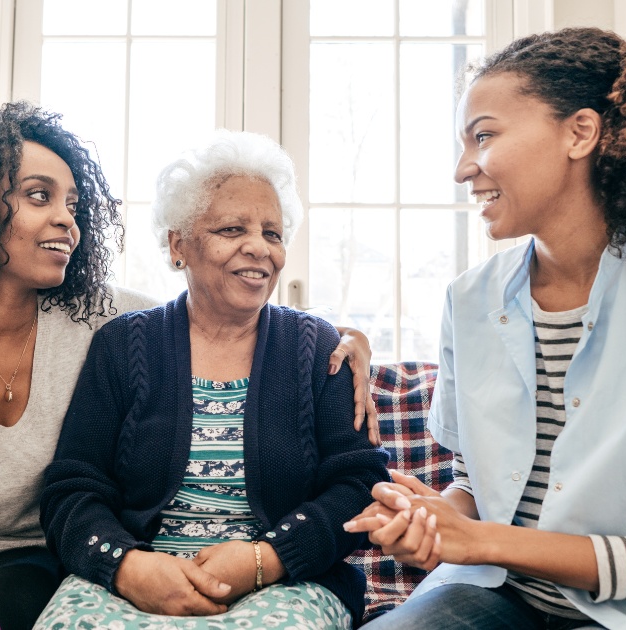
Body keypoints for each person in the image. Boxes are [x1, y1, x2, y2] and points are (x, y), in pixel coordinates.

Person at [0, 103, 378, 630]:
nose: (66, 220)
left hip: (25, 560)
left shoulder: (96, 312)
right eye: (39, 196)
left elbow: (226, 313)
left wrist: (341, 338)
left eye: (72, 203)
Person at [346, 22, 626, 630]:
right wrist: (434, 523)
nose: (464, 169)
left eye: (483, 136)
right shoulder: (469, 300)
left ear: (580, 132)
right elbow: (475, 485)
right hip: (500, 599)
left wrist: (481, 540)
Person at [35, 131, 390, 629]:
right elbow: (74, 488)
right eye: (231, 230)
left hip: (283, 582)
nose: (258, 249)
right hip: (138, 576)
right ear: (180, 245)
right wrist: (126, 566)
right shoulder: (124, 344)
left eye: (273, 233)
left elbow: (359, 482)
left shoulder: (316, 347)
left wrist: (266, 558)